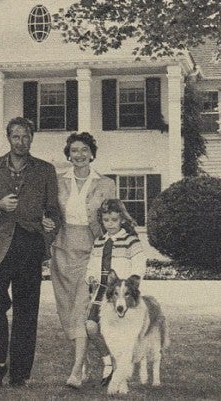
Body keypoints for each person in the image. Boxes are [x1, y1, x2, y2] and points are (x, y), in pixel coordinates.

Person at [0, 117, 61, 387]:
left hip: (29, 244)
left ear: (32, 138)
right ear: (8, 138)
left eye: (26, 136)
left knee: (26, 311)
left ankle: (19, 372)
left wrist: (49, 229)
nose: (21, 141)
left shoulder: (45, 170)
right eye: (16, 136)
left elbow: (53, 211)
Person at [49, 132, 116, 388]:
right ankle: (85, 360)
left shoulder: (106, 183)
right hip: (62, 249)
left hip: (92, 251)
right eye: (74, 150)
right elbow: (50, 212)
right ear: (69, 154)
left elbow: (113, 218)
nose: (79, 155)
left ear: (91, 153)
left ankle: (77, 370)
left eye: (84, 149)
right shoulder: (57, 182)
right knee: (66, 309)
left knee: (81, 308)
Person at [84, 198, 147, 387]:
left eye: (114, 220)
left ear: (121, 220)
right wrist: (91, 278)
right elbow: (91, 267)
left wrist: (129, 283)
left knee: (120, 333)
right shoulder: (99, 241)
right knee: (90, 327)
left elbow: (139, 264)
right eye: (106, 220)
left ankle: (121, 369)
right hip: (102, 292)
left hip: (120, 292)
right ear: (101, 221)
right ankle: (107, 362)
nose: (110, 224)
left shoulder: (130, 240)